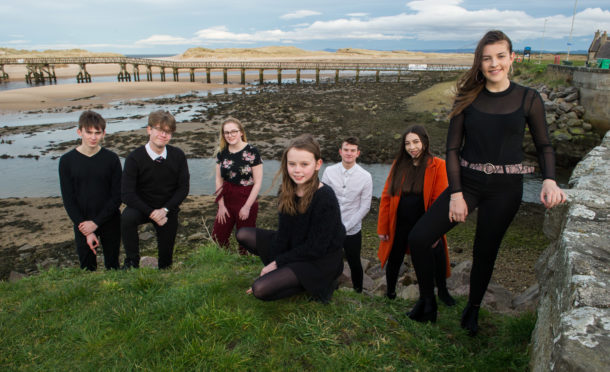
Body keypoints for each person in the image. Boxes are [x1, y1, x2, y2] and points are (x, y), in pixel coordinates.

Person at [406, 30, 566, 334]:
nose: (494, 64)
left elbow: (545, 145)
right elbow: (452, 149)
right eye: (487, 58)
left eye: (500, 56)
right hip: (466, 181)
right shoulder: (468, 98)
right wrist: (456, 194)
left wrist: (549, 180)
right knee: (419, 237)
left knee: (485, 251)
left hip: (506, 189)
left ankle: (473, 309)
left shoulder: (528, 98)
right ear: (479, 63)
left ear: (512, 58)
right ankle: (428, 303)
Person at [235, 134, 345, 303]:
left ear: (318, 164)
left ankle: (322, 284)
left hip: (320, 258)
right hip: (296, 245)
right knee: (243, 234)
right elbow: (284, 233)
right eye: (292, 164)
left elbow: (316, 247)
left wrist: (277, 264)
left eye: (304, 164)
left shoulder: (325, 197)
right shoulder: (285, 191)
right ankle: (288, 272)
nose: (297, 170)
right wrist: (275, 264)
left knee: (260, 289)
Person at [377, 125, 455, 305]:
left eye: (416, 142)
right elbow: (386, 195)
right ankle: (390, 293)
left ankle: (442, 292)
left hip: (425, 223)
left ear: (425, 142)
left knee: (436, 255)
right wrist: (383, 227)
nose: (412, 147)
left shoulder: (438, 165)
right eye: (407, 143)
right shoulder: (399, 164)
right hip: (399, 223)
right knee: (394, 257)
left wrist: (435, 230)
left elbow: (440, 201)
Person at [121, 110, 190, 269]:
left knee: (166, 263)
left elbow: (183, 189)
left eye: (167, 131)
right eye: (159, 130)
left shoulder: (177, 155)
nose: (163, 135)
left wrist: (164, 210)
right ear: (149, 130)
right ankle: (132, 262)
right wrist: (152, 213)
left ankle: (164, 265)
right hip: (142, 207)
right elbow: (126, 194)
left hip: (167, 208)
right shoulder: (134, 158)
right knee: (127, 217)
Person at [59, 110, 122, 271]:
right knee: (87, 269)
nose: (93, 137)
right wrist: (86, 228)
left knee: (113, 267)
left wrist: (96, 223)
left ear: (103, 133)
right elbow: (69, 199)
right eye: (89, 132)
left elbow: (117, 196)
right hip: (82, 223)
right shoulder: (66, 161)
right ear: (79, 132)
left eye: (97, 133)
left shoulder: (112, 159)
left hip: (109, 220)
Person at [321, 137, 372, 293]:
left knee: (354, 261)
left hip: (352, 229)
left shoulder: (365, 177)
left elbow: (365, 207)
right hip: (331, 227)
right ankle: (329, 288)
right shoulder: (329, 171)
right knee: (329, 260)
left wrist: (346, 226)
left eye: (352, 150)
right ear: (340, 151)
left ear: (358, 153)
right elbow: (323, 198)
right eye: (346, 150)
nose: (349, 153)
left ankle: (358, 291)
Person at [212, 118, 263, 255]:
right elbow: (218, 179)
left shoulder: (252, 152)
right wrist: (221, 205)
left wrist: (247, 207)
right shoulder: (222, 153)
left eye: (233, 131)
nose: (230, 135)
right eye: (226, 132)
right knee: (218, 237)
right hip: (227, 197)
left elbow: (258, 182)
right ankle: (227, 261)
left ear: (240, 132)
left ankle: (245, 265)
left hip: (246, 197)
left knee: (245, 239)